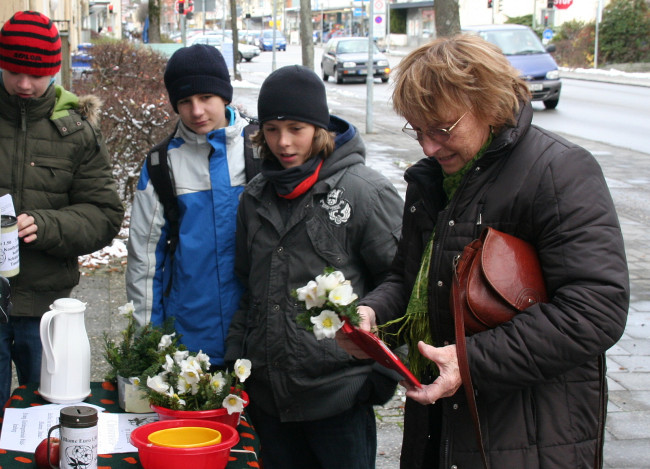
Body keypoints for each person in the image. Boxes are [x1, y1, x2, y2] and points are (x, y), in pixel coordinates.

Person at [339, 34, 630, 468]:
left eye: (441, 129)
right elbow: (408, 276)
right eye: (417, 130)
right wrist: (372, 315)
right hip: (438, 425)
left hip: (528, 432)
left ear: (489, 103)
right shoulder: (431, 180)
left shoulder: (559, 170)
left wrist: (469, 361)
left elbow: (596, 308)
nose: (428, 146)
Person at [225, 65, 404, 469]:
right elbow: (247, 286)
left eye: (296, 128)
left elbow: (400, 279)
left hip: (338, 399)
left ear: (319, 128)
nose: (283, 142)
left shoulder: (364, 192)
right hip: (270, 399)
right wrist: (238, 356)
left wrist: (380, 376)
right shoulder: (255, 198)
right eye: (271, 129)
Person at [0, 11, 124, 408]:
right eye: (14, 71)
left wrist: (47, 224)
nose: (24, 84)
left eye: (35, 74)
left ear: (54, 69)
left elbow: (104, 214)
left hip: (47, 309)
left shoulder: (76, 130)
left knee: (52, 419)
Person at [126, 44, 253, 367]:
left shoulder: (261, 150)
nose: (196, 111)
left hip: (257, 338)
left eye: (206, 98)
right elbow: (145, 261)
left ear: (225, 95)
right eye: (185, 101)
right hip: (188, 340)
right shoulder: (160, 165)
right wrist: (148, 341)